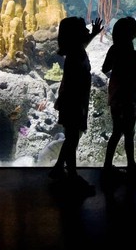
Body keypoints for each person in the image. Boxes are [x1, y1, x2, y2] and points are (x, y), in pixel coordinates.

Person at [49, 16, 104, 197]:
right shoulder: (75, 55)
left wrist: (94, 34)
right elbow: (74, 83)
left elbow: (81, 46)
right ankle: (71, 176)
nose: (87, 31)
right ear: (75, 35)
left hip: (75, 101)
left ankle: (58, 168)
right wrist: (78, 106)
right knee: (72, 138)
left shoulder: (75, 50)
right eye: (84, 29)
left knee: (72, 136)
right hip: (73, 102)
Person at [101, 16, 136, 184]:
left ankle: (107, 165)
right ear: (132, 33)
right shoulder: (135, 55)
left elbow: (105, 69)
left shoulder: (114, 49)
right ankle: (131, 165)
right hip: (130, 97)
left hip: (116, 96)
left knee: (117, 131)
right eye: (135, 27)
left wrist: (117, 78)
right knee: (129, 132)